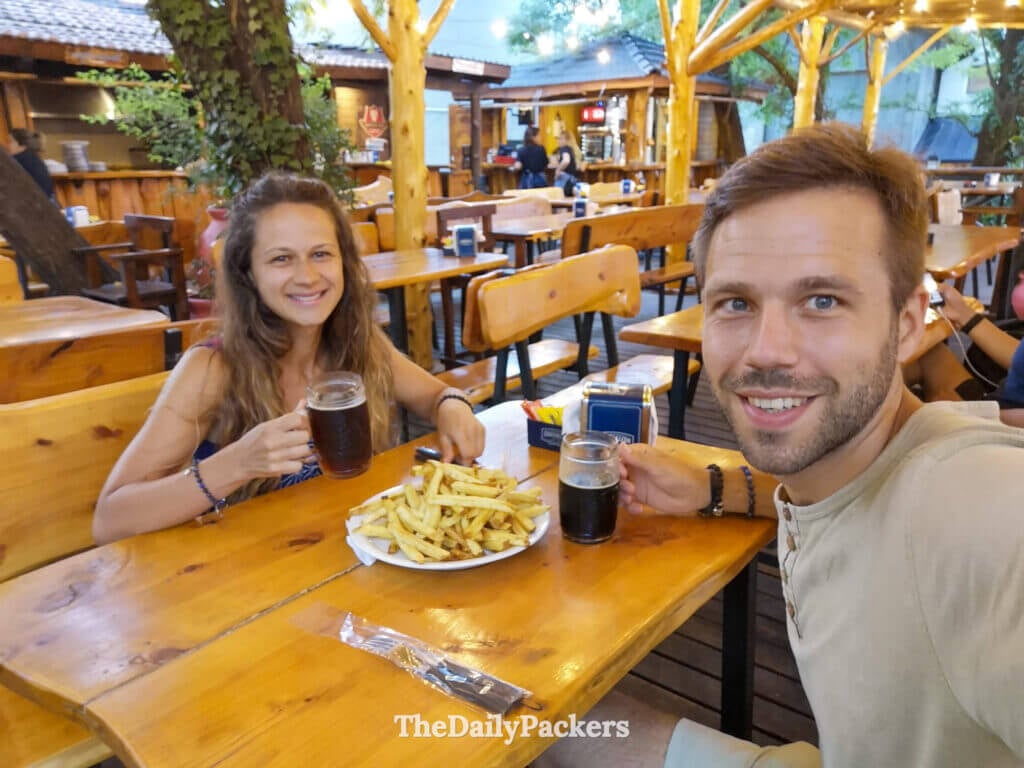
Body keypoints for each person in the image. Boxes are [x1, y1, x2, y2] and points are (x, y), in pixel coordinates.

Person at [541, 124, 1024, 767]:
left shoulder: (977, 514)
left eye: (821, 300)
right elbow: (849, 499)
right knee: (535, 725)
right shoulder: (858, 465)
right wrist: (721, 486)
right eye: (735, 302)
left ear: (907, 325)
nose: (766, 351)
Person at [93, 172, 485, 544]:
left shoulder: (357, 342)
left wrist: (453, 407)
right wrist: (237, 464)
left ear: (344, 263)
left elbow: (436, 396)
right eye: (281, 258)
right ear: (248, 274)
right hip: (250, 581)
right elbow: (110, 519)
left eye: (320, 254)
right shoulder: (212, 368)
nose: (308, 276)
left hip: (350, 553)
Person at [903, 282, 1024, 427]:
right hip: (997, 405)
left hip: (998, 429)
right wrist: (963, 314)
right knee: (929, 354)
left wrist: (967, 415)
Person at [7, 128, 56, 202]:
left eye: (10, 142)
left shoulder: (17, 160)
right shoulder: (32, 157)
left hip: (37, 204)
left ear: (22, 145)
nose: (8, 145)